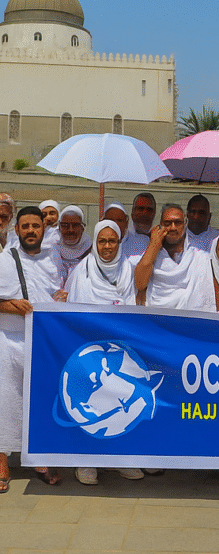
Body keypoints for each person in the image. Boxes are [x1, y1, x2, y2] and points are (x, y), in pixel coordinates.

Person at [67, 220, 144, 485]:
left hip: (119, 351)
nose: (108, 246)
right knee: (91, 406)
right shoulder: (81, 272)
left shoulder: (127, 270)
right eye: (102, 241)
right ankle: (86, 462)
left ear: (119, 243)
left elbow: (134, 306)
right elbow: (71, 310)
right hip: (88, 351)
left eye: (112, 241)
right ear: (95, 243)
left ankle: (120, 461)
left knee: (120, 405)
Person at [0, 207, 65, 490]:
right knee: (6, 403)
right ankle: (2, 460)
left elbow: (56, 297)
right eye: (24, 226)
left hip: (41, 342)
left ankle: (40, 459)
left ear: (43, 229)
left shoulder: (54, 262)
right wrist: (11, 307)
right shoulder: (4, 261)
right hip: (9, 341)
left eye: (35, 226)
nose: (30, 231)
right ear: (16, 230)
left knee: (38, 402)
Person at [134, 204, 208, 309]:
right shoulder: (150, 249)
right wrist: (154, 246)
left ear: (185, 223)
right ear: (160, 225)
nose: (172, 228)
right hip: (156, 316)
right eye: (167, 223)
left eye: (178, 223)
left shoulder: (198, 255)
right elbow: (140, 284)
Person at [57, 205, 92, 284]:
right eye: (65, 225)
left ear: (82, 228)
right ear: (59, 228)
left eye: (75, 225)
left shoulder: (91, 252)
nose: (70, 230)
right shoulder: (52, 250)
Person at [122, 193, 157, 257]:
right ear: (133, 212)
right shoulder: (123, 239)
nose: (144, 213)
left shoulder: (159, 240)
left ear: (154, 213)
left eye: (149, 210)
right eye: (140, 208)